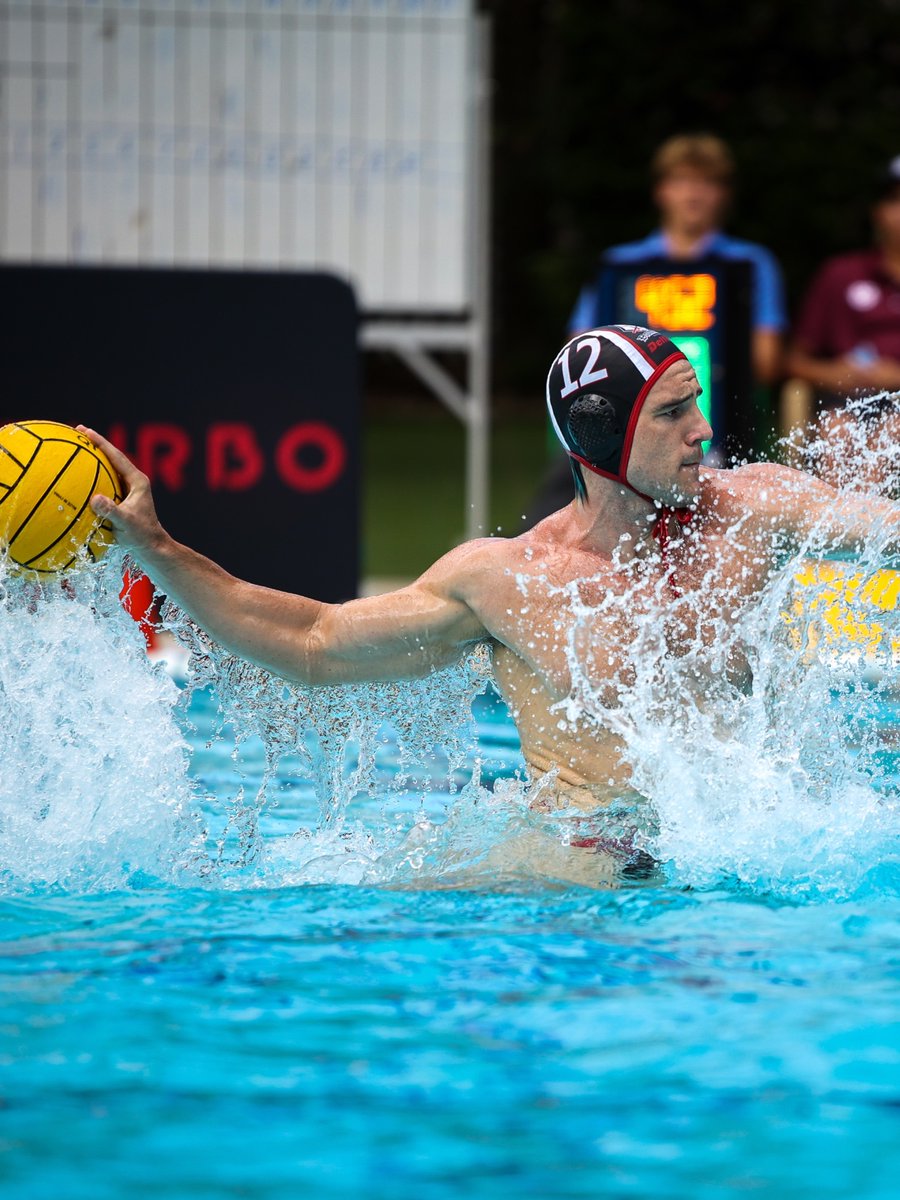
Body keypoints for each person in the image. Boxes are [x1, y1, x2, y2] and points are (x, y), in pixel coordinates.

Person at [79, 325, 897, 859]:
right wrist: (157, 548)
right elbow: (312, 643)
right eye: (675, 414)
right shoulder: (509, 582)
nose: (704, 432)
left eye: (698, 408)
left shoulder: (754, 510)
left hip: (752, 847)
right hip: (587, 862)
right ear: (606, 434)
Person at [527, 134, 788, 522]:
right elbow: (577, 353)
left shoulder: (750, 265)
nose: (693, 195)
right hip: (619, 430)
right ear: (660, 191)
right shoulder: (617, 266)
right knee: (554, 510)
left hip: (722, 429)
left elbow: (766, 364)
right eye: (681, 181)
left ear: (723, 194)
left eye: (706, 183)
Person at [784, 155, 900, 475]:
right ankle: (847, 524)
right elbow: (793, 360)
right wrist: (833, 373)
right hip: (844, 402)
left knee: (893, 429)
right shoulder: (840, 274)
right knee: (837, 431)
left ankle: (872, 524)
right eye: (894, 200)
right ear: (877, 212)